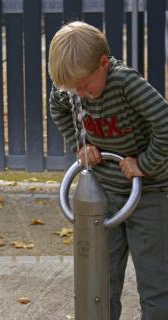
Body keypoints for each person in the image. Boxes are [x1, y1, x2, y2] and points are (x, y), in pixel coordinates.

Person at [48, 21, 168, 320]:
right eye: (71, 88)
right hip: (105, 193)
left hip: (151, 194)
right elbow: (58, 108)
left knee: (156, 281)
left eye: (84, 86)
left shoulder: (126, 83)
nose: (79, 94)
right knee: (100, 278)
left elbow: (165, 123)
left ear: (103, 64)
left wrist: (144, 163)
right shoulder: (73, 85)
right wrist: (81, 145)